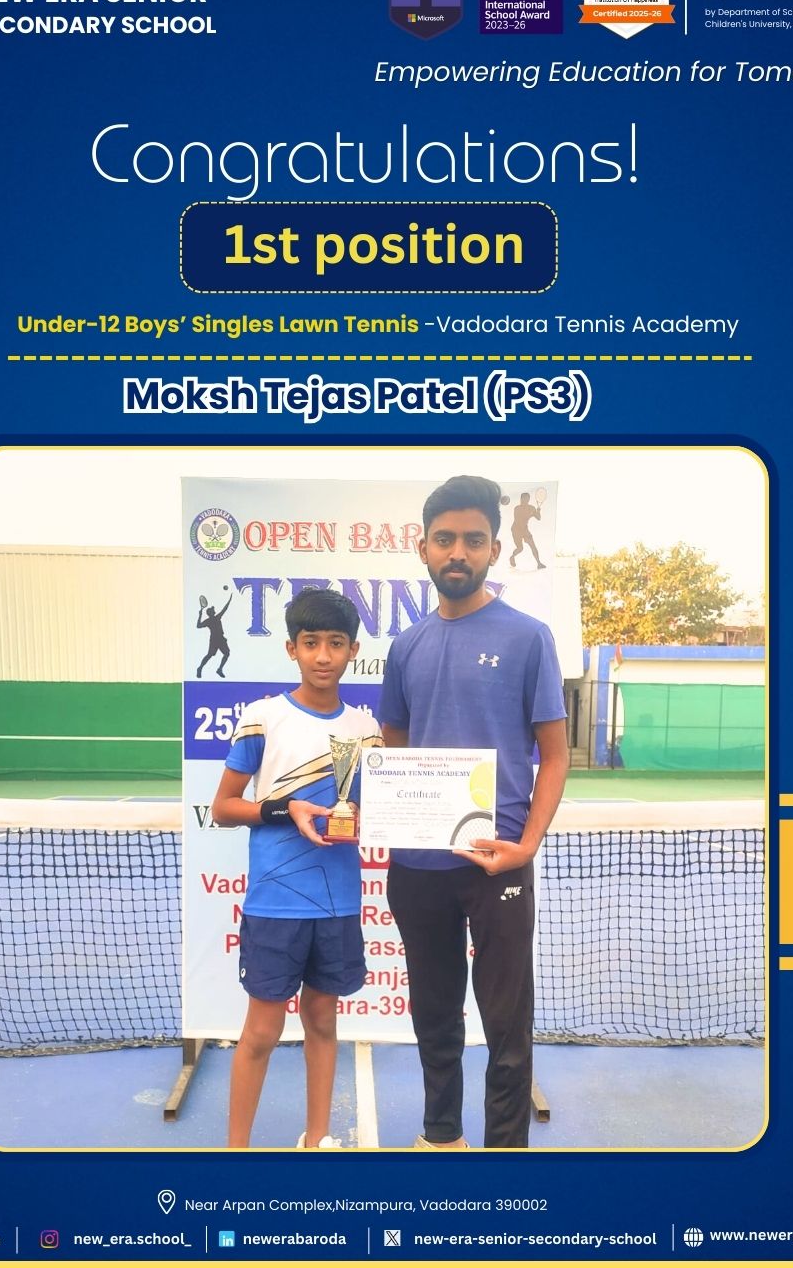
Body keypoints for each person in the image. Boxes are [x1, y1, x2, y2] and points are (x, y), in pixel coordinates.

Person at [379, 475, 568, 1149]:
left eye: (473, 540)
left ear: (493, 549)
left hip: (498, 865)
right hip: (417, 866)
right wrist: (398, 814)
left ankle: (503, 1156)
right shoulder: (405, 646)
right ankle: (441, 1138)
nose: (457, 552)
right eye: (445, 539)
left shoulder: (529, 637)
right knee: (435, 1018)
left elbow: (556, 756)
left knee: (506, 1025)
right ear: (423, 549)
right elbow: (394, 747)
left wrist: (527, 846)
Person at [211, 588, 382, 1148]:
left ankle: (317, 1140)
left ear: (353, 650)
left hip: (338, 902)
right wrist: (288, 808)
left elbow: (376, 810)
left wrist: (375, 818)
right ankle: (236, 1151)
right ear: (292, 649)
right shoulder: (263, 718)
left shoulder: (367, 730)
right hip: (274, 903)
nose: (323, 656)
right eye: (311, 643)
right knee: (262, 1032)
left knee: (323, 1022)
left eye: (336, 643)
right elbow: (223, 807)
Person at [509, 491, 546, 570]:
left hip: (525, 530)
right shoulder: (517, 508)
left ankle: (539, 563)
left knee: (533, 546)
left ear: (528, 500)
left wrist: (538, 511)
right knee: (520, 548)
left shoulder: (531, 508)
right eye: (523, 499)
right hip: (516, 530)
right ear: (521, 499)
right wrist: (530, 514)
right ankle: (512, 557)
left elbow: (538, 518)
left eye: (527, 499)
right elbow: (518, 520)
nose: (525, 500)